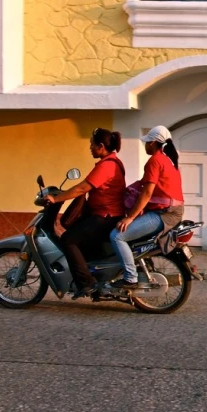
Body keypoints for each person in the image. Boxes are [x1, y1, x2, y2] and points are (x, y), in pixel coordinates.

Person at [45, 128, 126, 299]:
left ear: (101, 146)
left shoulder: (107, 166)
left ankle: (87, 284)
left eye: (92, 144)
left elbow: (83, 187)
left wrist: (57, 198)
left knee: (68, 240)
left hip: (105, 217)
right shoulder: (112, 162)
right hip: (105, 215)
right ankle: (94, 278)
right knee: (79, 239)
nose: (90, 147)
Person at [109, 125, 184, 288]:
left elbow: (147, 193)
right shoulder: (168, 160)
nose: (145, 145)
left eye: (147, 142)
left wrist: (130, 218)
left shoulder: (155, 161)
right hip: (170, 211)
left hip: (164, 214)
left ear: (153, 143)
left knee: (117, 235)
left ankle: (130, 277)